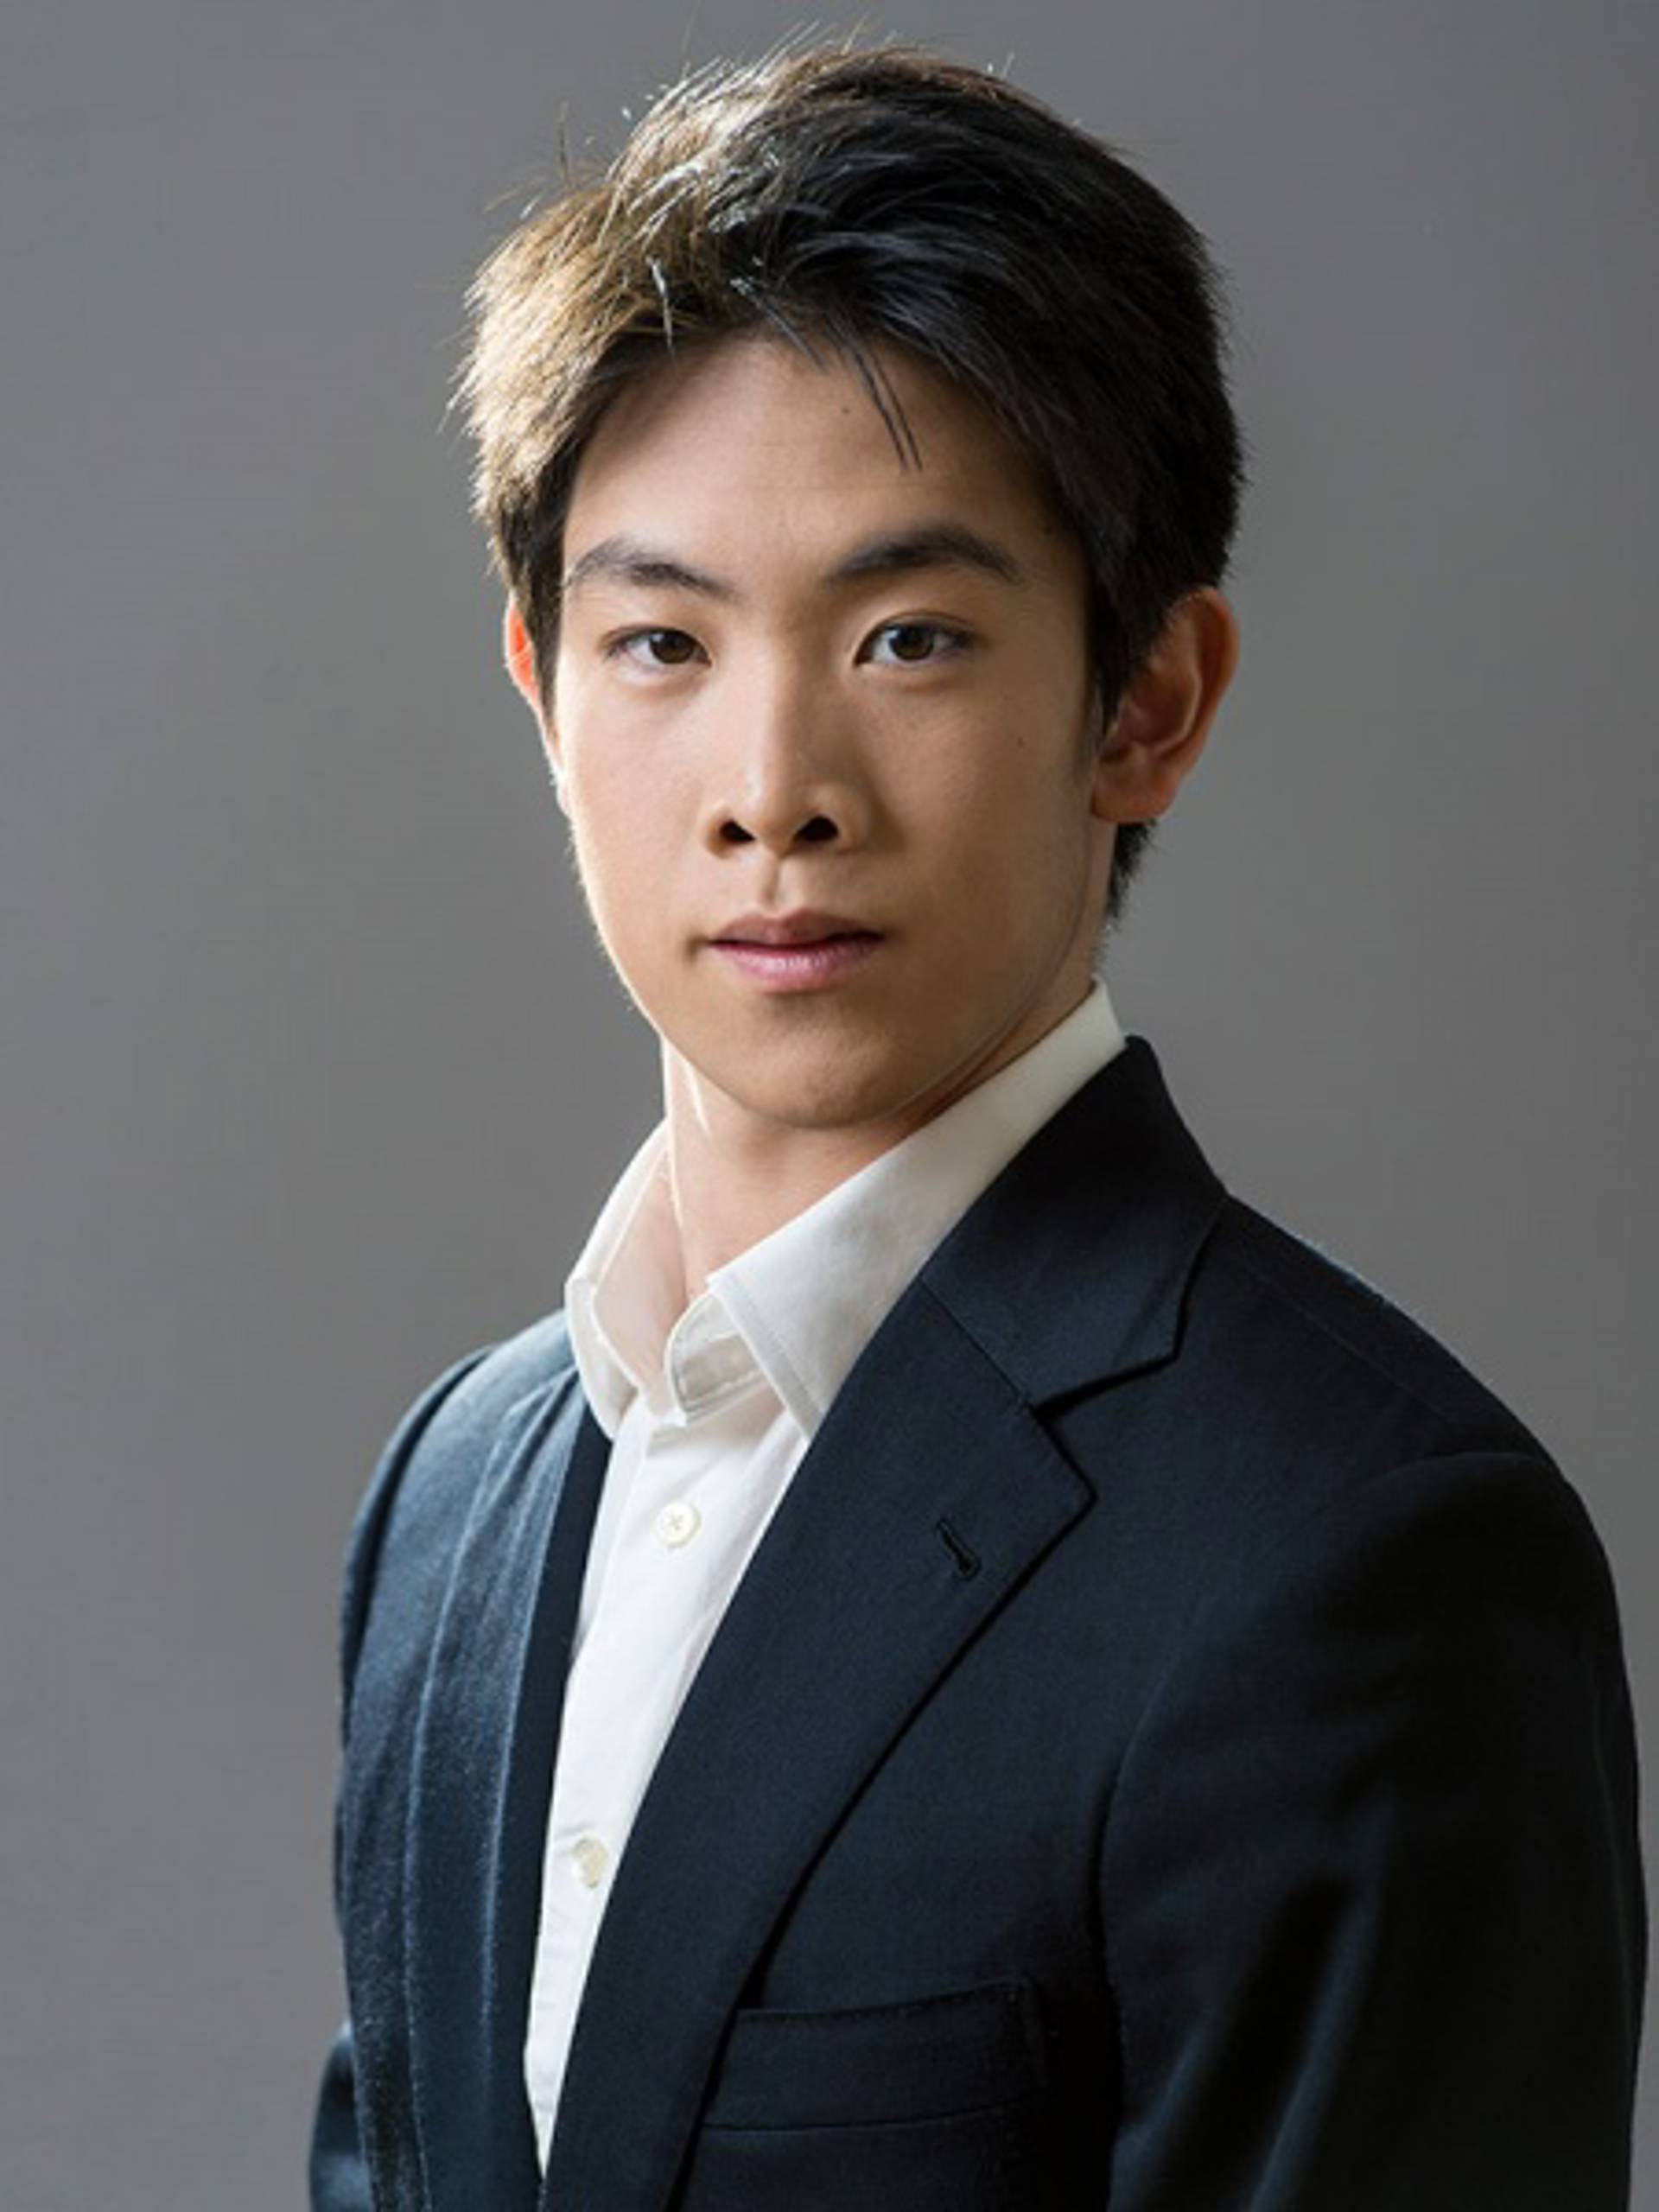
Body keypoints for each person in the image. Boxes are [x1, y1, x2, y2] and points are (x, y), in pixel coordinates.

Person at [308, 33, 1645, 2210]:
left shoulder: (1354, 1554)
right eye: (661, 644)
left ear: (1149, 703)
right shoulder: (454, 1498)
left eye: (910, 633)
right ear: (545, 696)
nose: (774, 785)